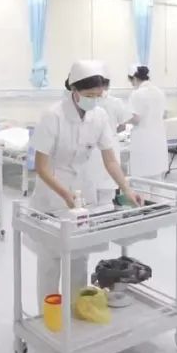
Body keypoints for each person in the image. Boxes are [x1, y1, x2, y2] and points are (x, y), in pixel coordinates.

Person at [30, 61, 143, 305]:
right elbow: (41, 167)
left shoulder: (99, 116)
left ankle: (76, 311)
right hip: (53, 193)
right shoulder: (53, 116)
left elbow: (110, 160)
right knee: (50, 261)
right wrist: (64, 194)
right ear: (74, 90)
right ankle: (47, 316)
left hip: (82, 191)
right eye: (89, 95)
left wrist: (127, 189)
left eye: (98, 95)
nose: (94, 100)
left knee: (79, 257)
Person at [86, 76, 133, 204]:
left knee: (90, 191)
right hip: (109, 146)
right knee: (108, 190)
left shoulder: (87, 102)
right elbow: (123, 125)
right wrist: (109, 133)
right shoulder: (115, 102)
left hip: (90, 148)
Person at [126, 64, 169, 180]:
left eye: (131, 82)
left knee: (141, 183)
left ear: (134, 78)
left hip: (143, 142)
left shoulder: (137, 94)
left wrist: (123, 118)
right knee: (157, 182)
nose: (132, 85)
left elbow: (136, 118)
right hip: (158, 141)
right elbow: (164, 114)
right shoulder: (159, 92)